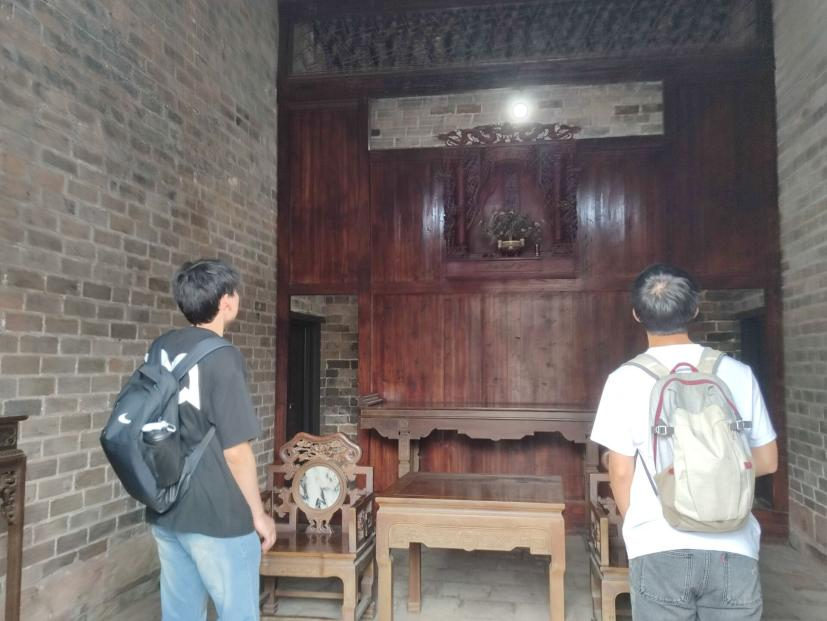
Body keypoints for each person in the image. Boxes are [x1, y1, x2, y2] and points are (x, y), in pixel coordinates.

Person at [590, 263, 778, 620]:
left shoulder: (623, 380)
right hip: (734, 544)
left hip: (658, 542)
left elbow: (621, 471)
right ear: (694, 309)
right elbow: (767, 461)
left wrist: (638, 528)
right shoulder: (737, 373)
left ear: (636, 314)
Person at [147, 259, 276, 621]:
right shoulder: (223, 356)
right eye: (235, 292)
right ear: (225, 301)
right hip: (218, 514)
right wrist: (258, 514)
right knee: (238, 612)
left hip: (167, 504)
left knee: (180, 613)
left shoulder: (159, 349)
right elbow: (236, 451)